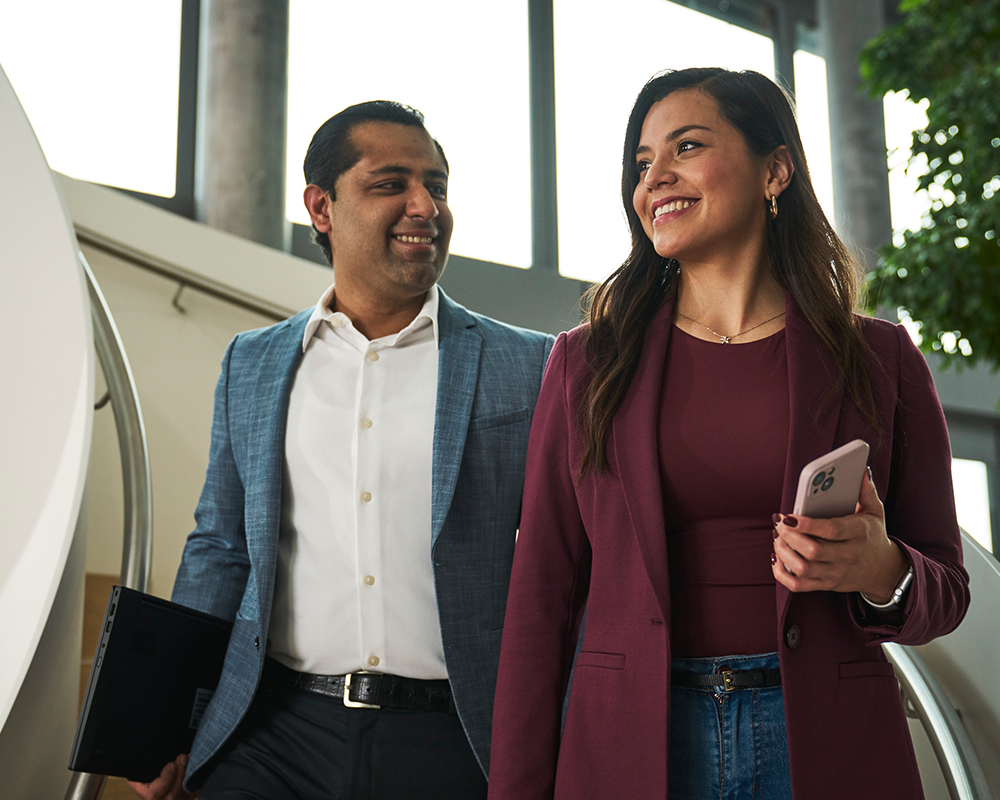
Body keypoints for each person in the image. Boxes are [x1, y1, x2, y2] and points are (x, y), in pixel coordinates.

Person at [487, 68, 970, 800]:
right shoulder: (585, 363)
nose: (656, 179)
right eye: (642, 163)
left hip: (824, 741)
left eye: (686, 147)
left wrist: (879, 567)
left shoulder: (880, 359)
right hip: (632, 742)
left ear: (776, 170)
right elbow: (539, 605)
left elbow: (945, 589)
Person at [129, 100, 554, 800]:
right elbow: (220, 547)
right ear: (321, 208)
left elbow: (570, 557)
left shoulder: (532, 365)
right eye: (391, 184)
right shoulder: (255, 363)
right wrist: (171, 719)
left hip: (456, 738)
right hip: (272, 733)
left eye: (437, 186)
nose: (425, 205)